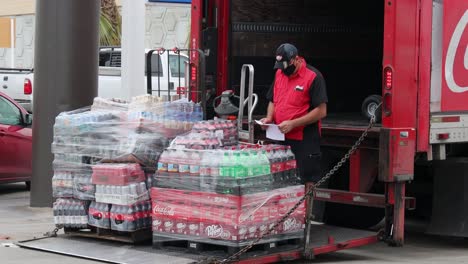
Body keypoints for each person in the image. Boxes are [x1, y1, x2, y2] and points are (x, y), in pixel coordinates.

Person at [261, 43, 328, 220]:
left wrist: (294, 123)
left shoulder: (313, 77)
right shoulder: (279, 73)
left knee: (306, 177)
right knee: (279, 175)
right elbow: (273, 100)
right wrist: (269, 118)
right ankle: (279, 218)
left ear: (296, 60)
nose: (284, 71)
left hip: (304, 137)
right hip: (280, 134)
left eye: (287, 67)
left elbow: (321, 111)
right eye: (281, 68)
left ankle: (304, 220)